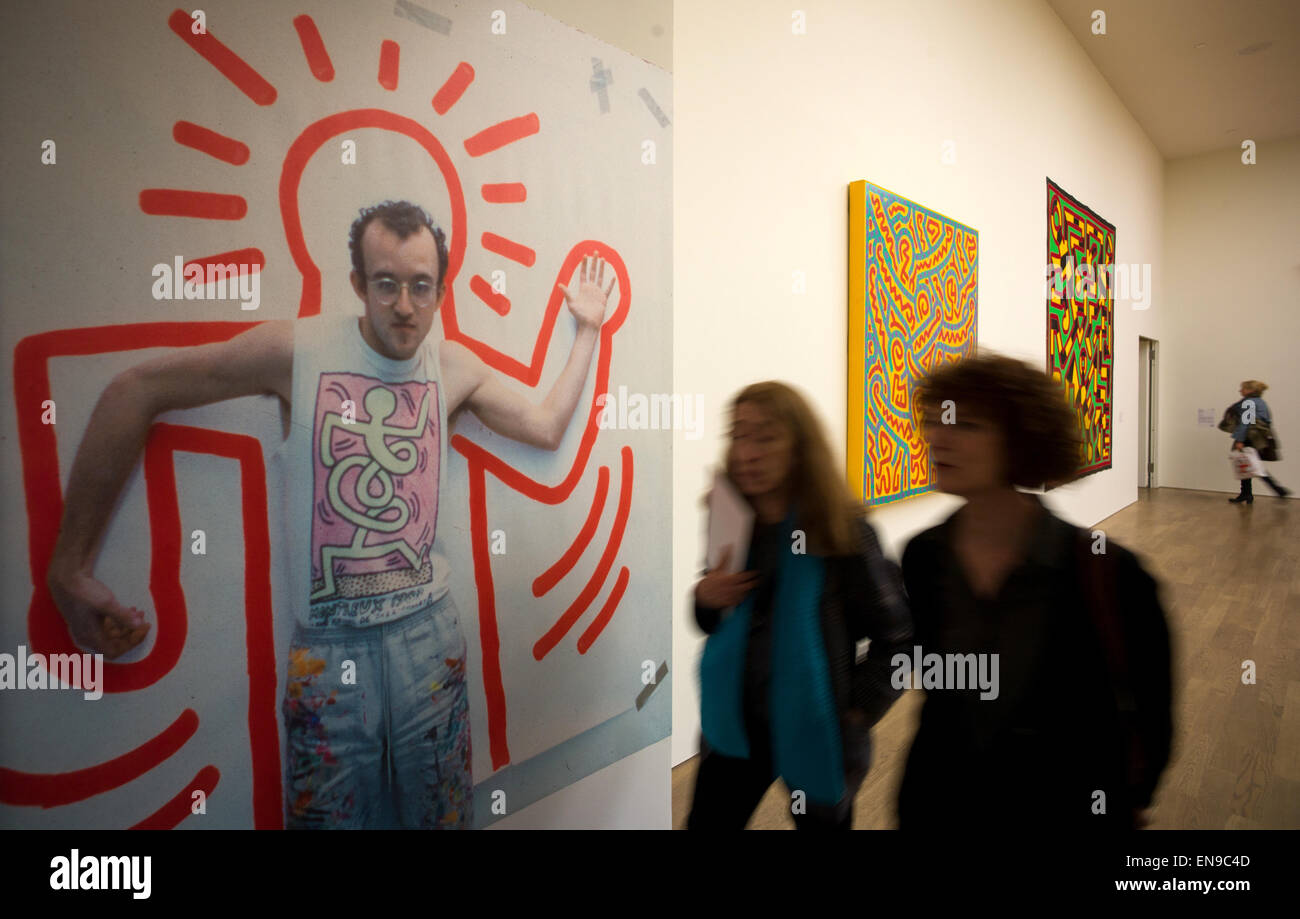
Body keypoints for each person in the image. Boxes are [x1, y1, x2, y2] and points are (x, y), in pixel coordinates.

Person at [45, 200, 614, 829]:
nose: (403, 305)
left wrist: (587, 328)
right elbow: (136, 390)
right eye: (386, 282)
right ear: (358, 284)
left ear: (440, 290)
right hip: (328, 651)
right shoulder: (297, 351)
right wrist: (69, 570)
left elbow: (544, 423)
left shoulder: (453, 368)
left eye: (421, 286)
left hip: (429, 640)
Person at [896, 354, 1174, 830]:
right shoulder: (924, 556)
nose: (938, 437)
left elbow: (1152, 712)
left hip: (1062, 807)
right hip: (941, 803)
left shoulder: (1107, 571)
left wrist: (1131, 796)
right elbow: (937, 690)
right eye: (933, 421)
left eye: (966, 424)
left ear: (1022, 438)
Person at [687, 381, 912, 830]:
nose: (747, 452)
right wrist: (704, 599)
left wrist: (855, 711)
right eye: (738, 434)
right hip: (734, 721)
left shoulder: (842, 530)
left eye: (766, 437)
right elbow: (713, 619)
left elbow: (901, 640)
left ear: (800, 447)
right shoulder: (730, 517)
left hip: (816, 729)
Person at [1223, 379, 1289, 504]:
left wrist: (1240, 440)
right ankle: (1246, 494)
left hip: (1249, 438)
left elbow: (1245, 422)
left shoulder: (1249, 403)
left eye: (1243, 388)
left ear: (1251, 390)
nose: (1240, 390)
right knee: (1247, 465)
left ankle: (1278, 489)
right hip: (1256, 437)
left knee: (1252, 466)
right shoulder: (1260, 402)